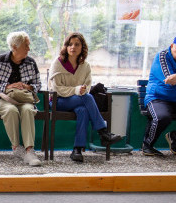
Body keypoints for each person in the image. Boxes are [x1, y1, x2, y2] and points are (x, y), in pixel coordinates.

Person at [0, 31, 43, 166]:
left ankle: (29, 150)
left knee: (28, 109)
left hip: (24, 99)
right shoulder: (0, 60)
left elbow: (38, 84)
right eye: (26, 45)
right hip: (2, 99)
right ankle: (16, 147)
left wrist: (27, 87)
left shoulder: (31, 62)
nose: (29, 48)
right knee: (11, 110)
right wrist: (8, 86)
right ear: (14, 47)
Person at [49, 32, 122, 162]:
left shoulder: (85, 66)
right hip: (58, 101)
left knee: (83, 110)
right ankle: (103, 132)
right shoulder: (58, 63)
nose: (73, 47)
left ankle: (77, 150)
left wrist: (81, 90)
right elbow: (56, 89)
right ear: (65, 46)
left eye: (77, 44)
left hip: (78, 101)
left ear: (82, 47)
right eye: (70, 44)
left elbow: (87, 86)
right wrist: (77, 90)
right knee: (87, 98)